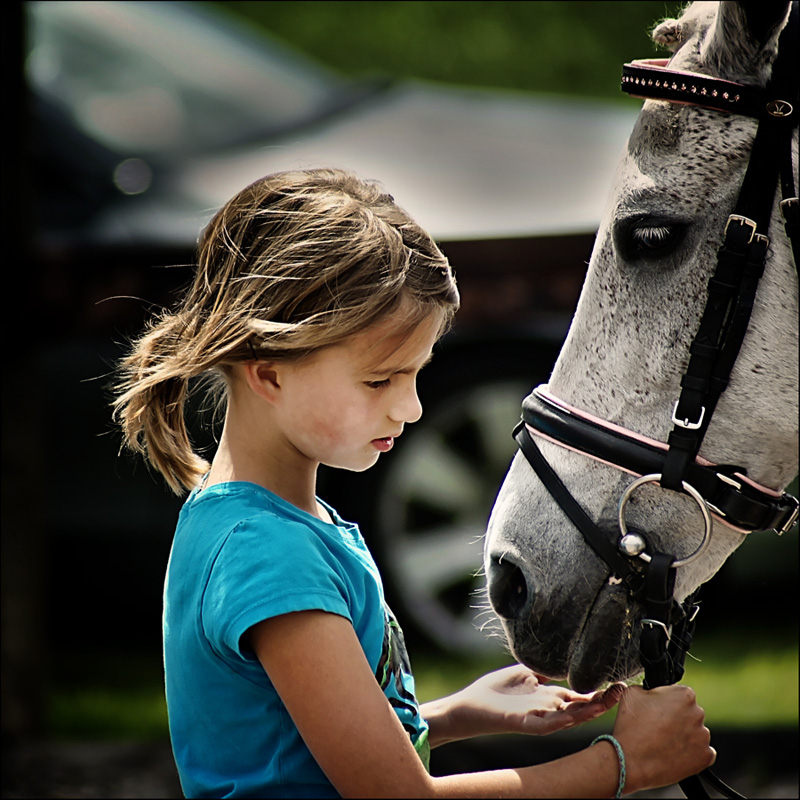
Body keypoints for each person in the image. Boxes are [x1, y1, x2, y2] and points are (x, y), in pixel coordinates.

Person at [112, 168, 715, 798]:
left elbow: (291, 751)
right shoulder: (269, 555)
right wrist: (625, 766)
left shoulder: (258, 521)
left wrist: (457, 715)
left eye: (415, 375)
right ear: (268, 375)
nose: (411, 408)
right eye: (380, 381)